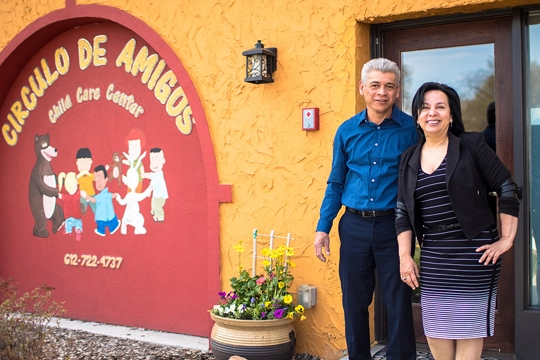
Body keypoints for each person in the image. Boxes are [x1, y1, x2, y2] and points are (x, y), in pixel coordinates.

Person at [395, 82, 520, 359]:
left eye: (441, 107)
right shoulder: (408, 159)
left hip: (474, 255)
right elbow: (402, 212)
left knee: (467, 332)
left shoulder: (472, 146)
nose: (432, 113)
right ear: (417, 115)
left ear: (452, 115)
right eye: (425, 107)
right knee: (436, 333)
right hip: (434, 255)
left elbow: (507, 187)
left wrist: (506, 239)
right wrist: (406, 257)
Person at [314, 58, 417, 360]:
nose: (381, 92)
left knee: (398, 301)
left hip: (393, 227)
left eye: (388, 86)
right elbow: (336, 182)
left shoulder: (410, 129)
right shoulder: (346, 131)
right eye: (375, 85)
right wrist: (323, 227)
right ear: (362, 88)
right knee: (355, 302)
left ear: (397, 91)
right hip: (354, 227)